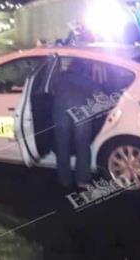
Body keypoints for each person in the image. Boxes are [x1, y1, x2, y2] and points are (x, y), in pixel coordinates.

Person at [52, 59, 100, 189]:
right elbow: (99, 97)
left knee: (62, 147)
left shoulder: (58, 77)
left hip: (61, 114)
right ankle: (82, 180)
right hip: (82, 113)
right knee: (83, 146)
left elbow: (50, 90)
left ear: (70, 67)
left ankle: (64, 180)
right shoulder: (88, 80)